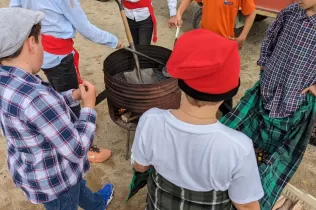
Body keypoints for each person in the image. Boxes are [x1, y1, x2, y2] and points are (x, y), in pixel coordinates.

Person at [130, 29, 264, 210]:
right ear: (229, 93)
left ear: (180, 83)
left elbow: (140, 167)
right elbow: (247, 206)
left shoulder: (150, 120)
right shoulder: (239, 148)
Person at [0, 7, 114, 210]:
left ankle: (96, 204)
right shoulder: (35, 97)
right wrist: (88, 108)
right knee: (66, 199)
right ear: (31, 43)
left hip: (31, 165)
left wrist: (73, 96)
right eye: (42, 40)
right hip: (55, 181)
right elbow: (77, 150)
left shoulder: (9, 79)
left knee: (76, 185)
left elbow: (40, 113)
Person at [220, 2, 316, 209]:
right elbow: (271, 35)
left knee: (276, 153)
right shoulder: (291, 12)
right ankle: (233, 182)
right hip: (268, 88)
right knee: (246, 136)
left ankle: (259, 194)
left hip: (294, 101)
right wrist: (264, 61)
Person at [10, 0, 123, 163]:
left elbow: (16, 12)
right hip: (58, 55)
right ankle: (84, 146)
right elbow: (86, 29)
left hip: (39, 50)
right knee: (71, 100)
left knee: (59, 91)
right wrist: (113, 41)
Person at [169, 0, 256, 116]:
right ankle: (199, 111)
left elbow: (251, 12)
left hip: (224, 43)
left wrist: (242, 37)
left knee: (224, 83)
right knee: (202, 78)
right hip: (203, 41)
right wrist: (179, 13)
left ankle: (226, 113)